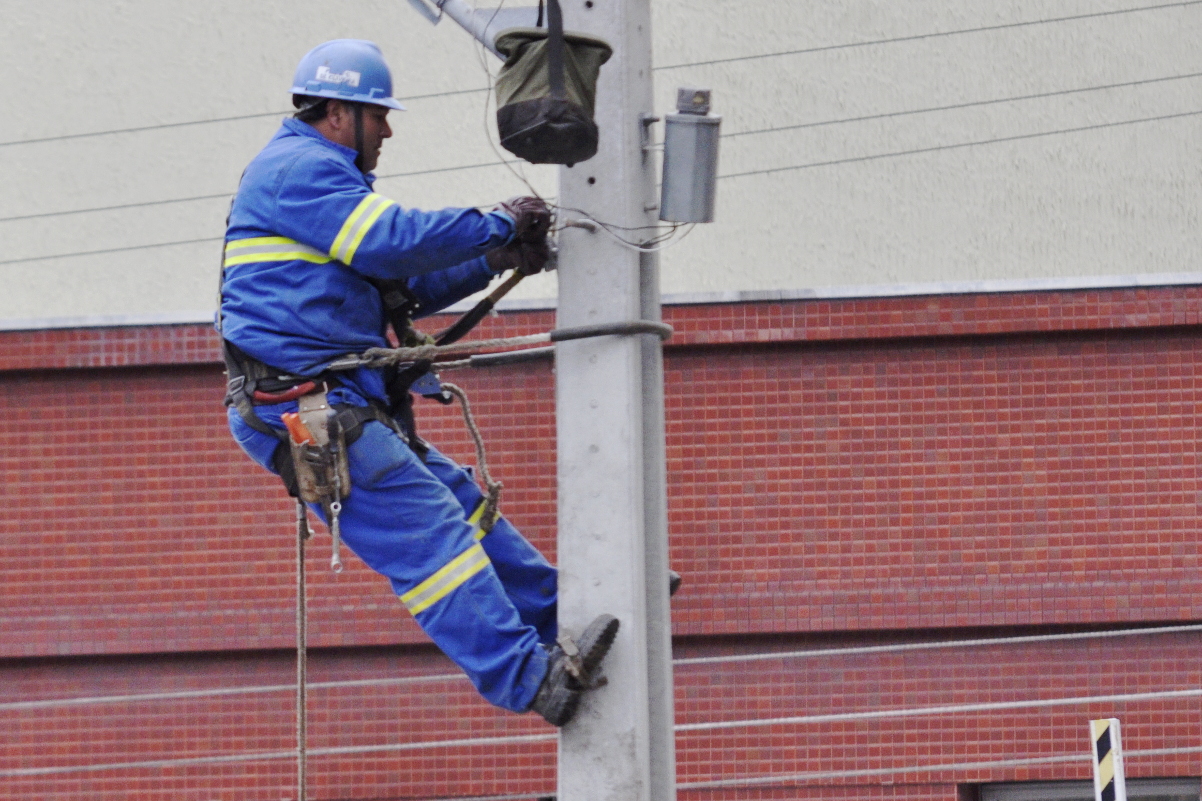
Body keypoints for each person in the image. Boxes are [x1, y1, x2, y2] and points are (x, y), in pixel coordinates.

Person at [218, 38, 616, 726]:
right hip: (305, 410)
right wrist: (494, 223)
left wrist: (494, 254)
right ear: (341, 113)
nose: (389, 130)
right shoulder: (299, 172)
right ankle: (530, 679)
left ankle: (572, 612)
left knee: (462, 506)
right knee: (433, 535)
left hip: (337, 406)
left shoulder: (326, 188)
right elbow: (395, 241)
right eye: (381, 116)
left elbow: (404, 285)